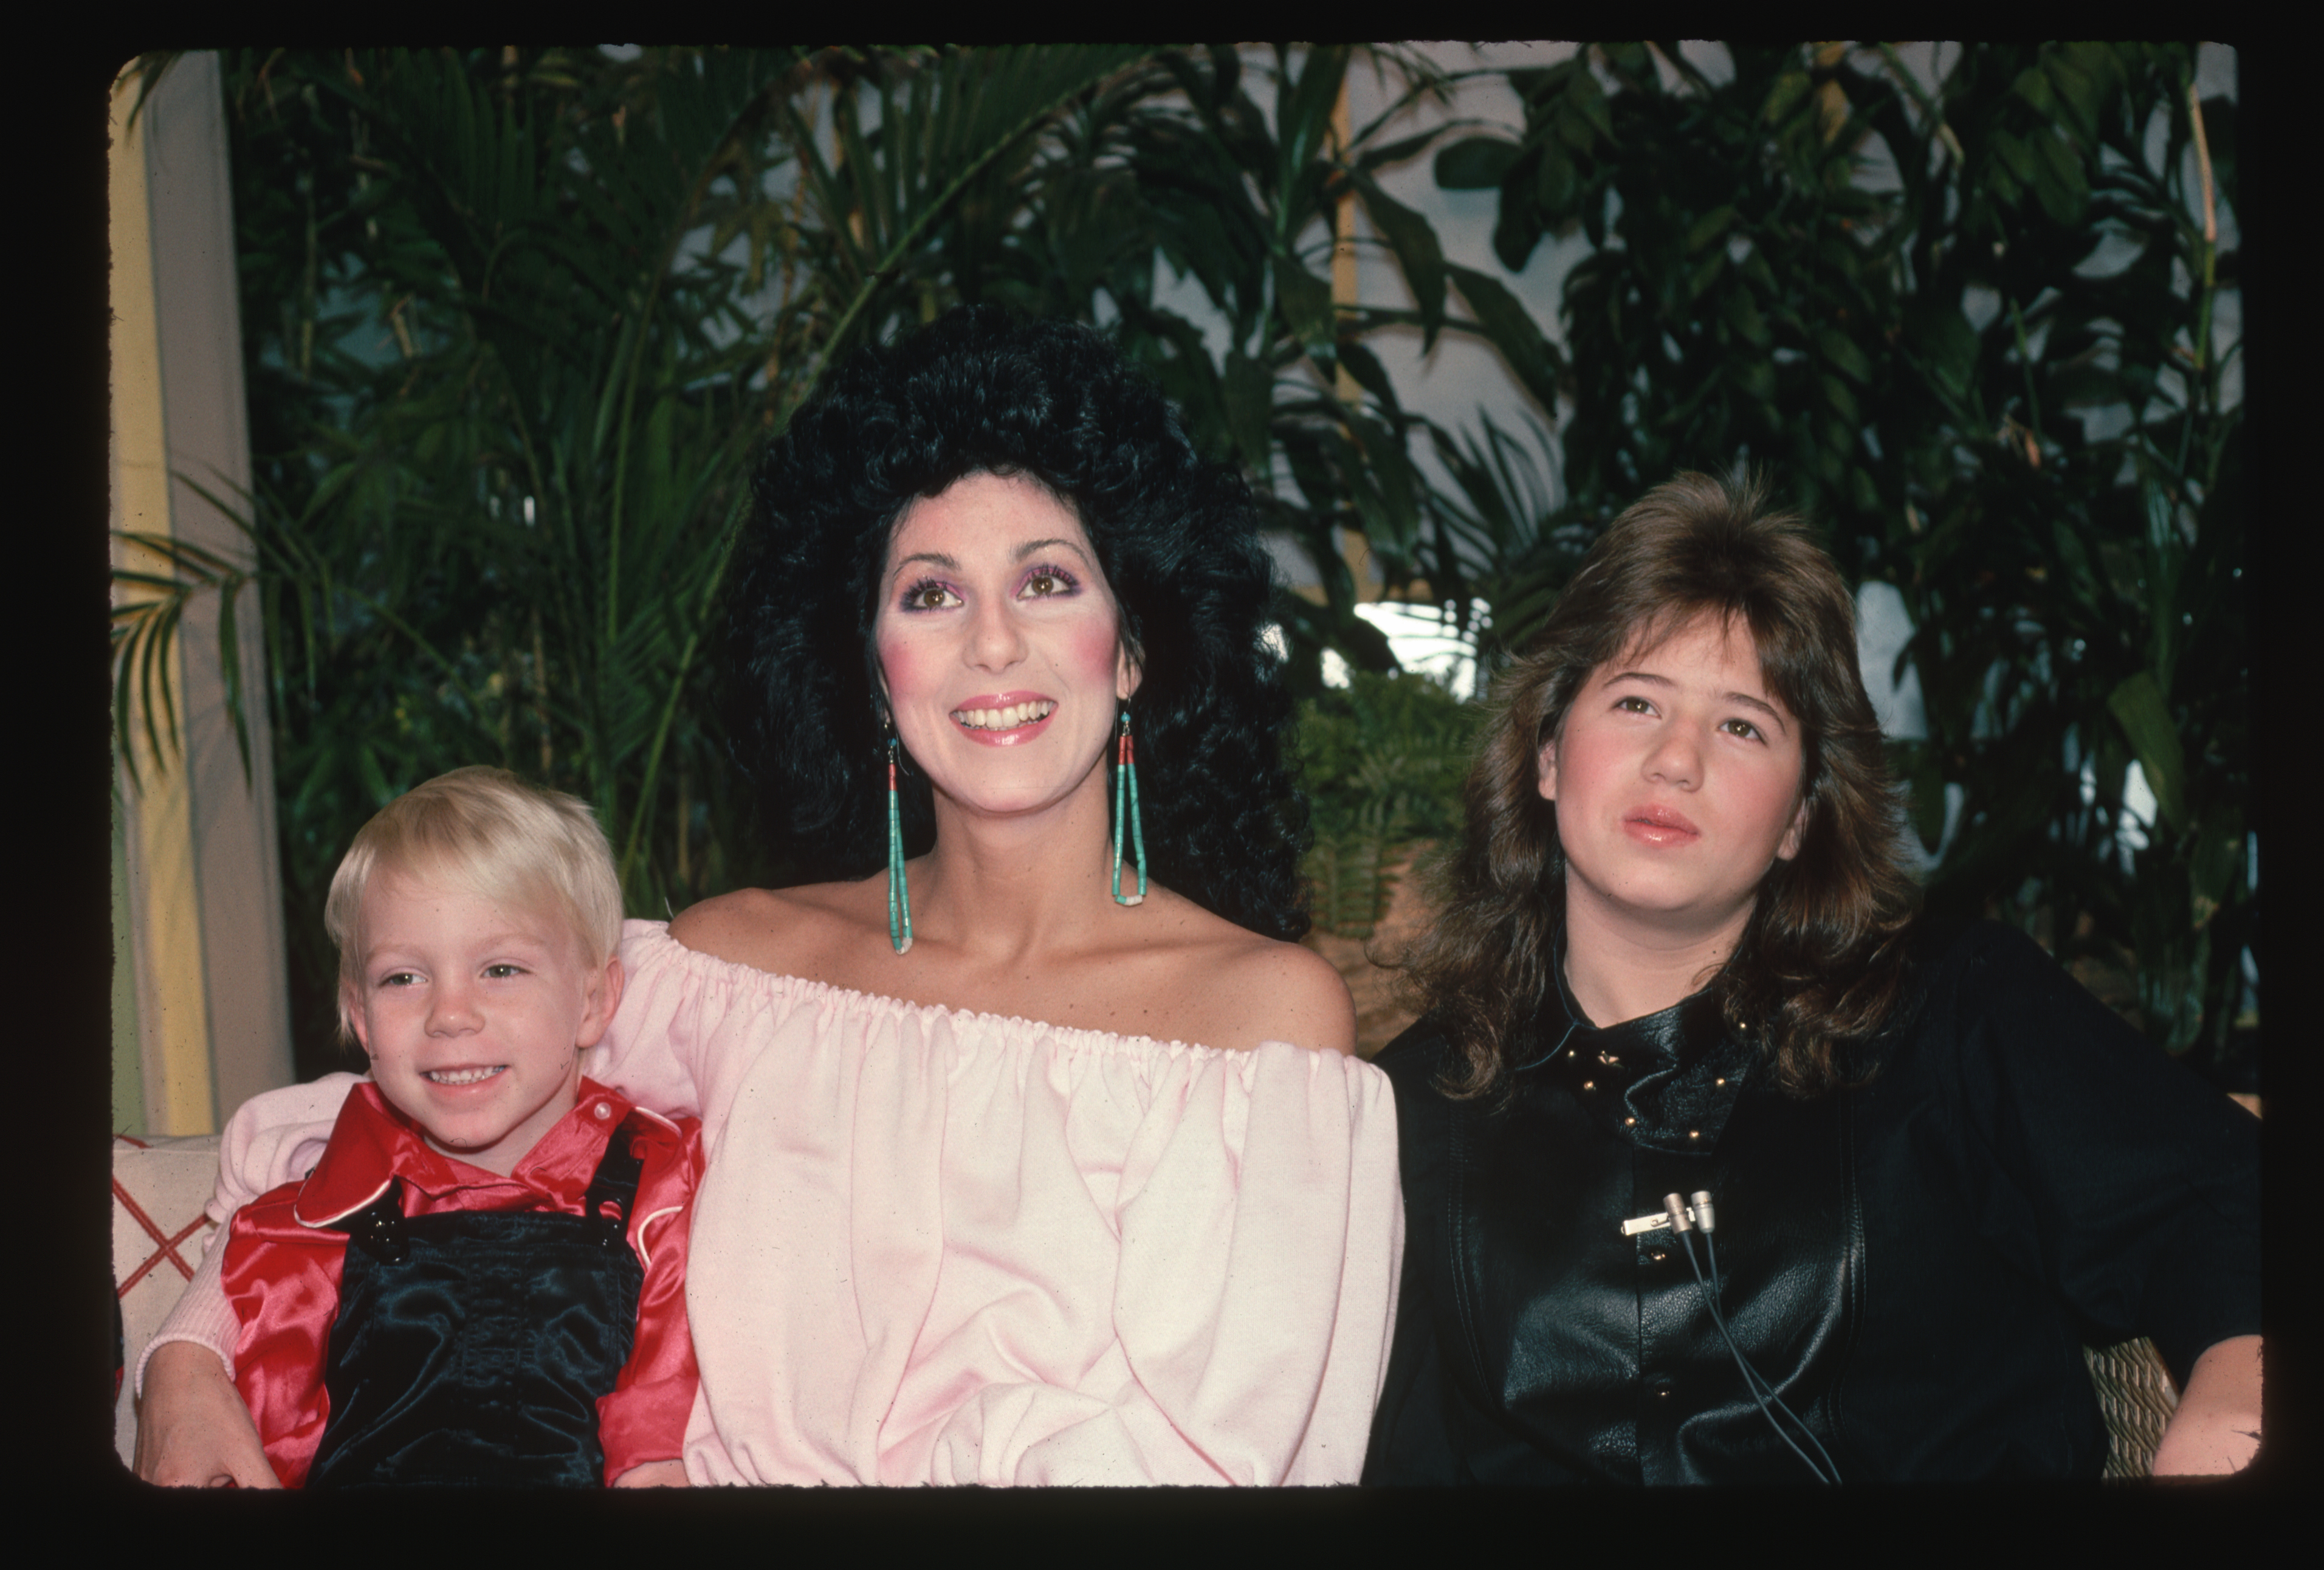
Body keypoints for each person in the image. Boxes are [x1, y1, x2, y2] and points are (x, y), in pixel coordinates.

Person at [135, 306, 1400, 1488]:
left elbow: (1217, 1451)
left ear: (1133, 648)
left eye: (1048, 581)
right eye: (931, 593)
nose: (993, 643)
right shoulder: (725, 974)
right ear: (868, 669)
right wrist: (182, 1369)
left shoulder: (1259, 1029)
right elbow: (355, 1138)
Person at [1361, 473, 2261, 1483]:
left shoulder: (1954, 1010)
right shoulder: (1415, 1103)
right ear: (1544, 758)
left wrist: (2232, 1407)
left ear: (1798, 817)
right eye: (1633, 701)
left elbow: (2228, 1200)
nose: (1674, 760)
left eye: (1740, 724)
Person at [222, 766, 701, 1487]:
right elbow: (259, 1454)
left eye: (501, 969)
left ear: (594, 1001)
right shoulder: (313, 1223)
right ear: (359, 1018)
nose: (449, 1014)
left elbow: (658, 1454)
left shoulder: (659, 1186)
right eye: (403, 979)